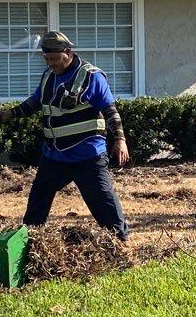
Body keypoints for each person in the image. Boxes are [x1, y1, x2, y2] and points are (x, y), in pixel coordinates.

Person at [11, 30, 130, 239]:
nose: (52, 63)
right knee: (38, 197)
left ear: (68, 52)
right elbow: (34, 103)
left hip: (88, 155)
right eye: (47, 59)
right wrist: (8, 115)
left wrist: (120, 139)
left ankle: (120, 240)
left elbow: (111, 111)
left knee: (103, 200)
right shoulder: (48, 76)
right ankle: (30, 239)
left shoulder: (91, 76)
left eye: (55, 59)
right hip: (55, 156)